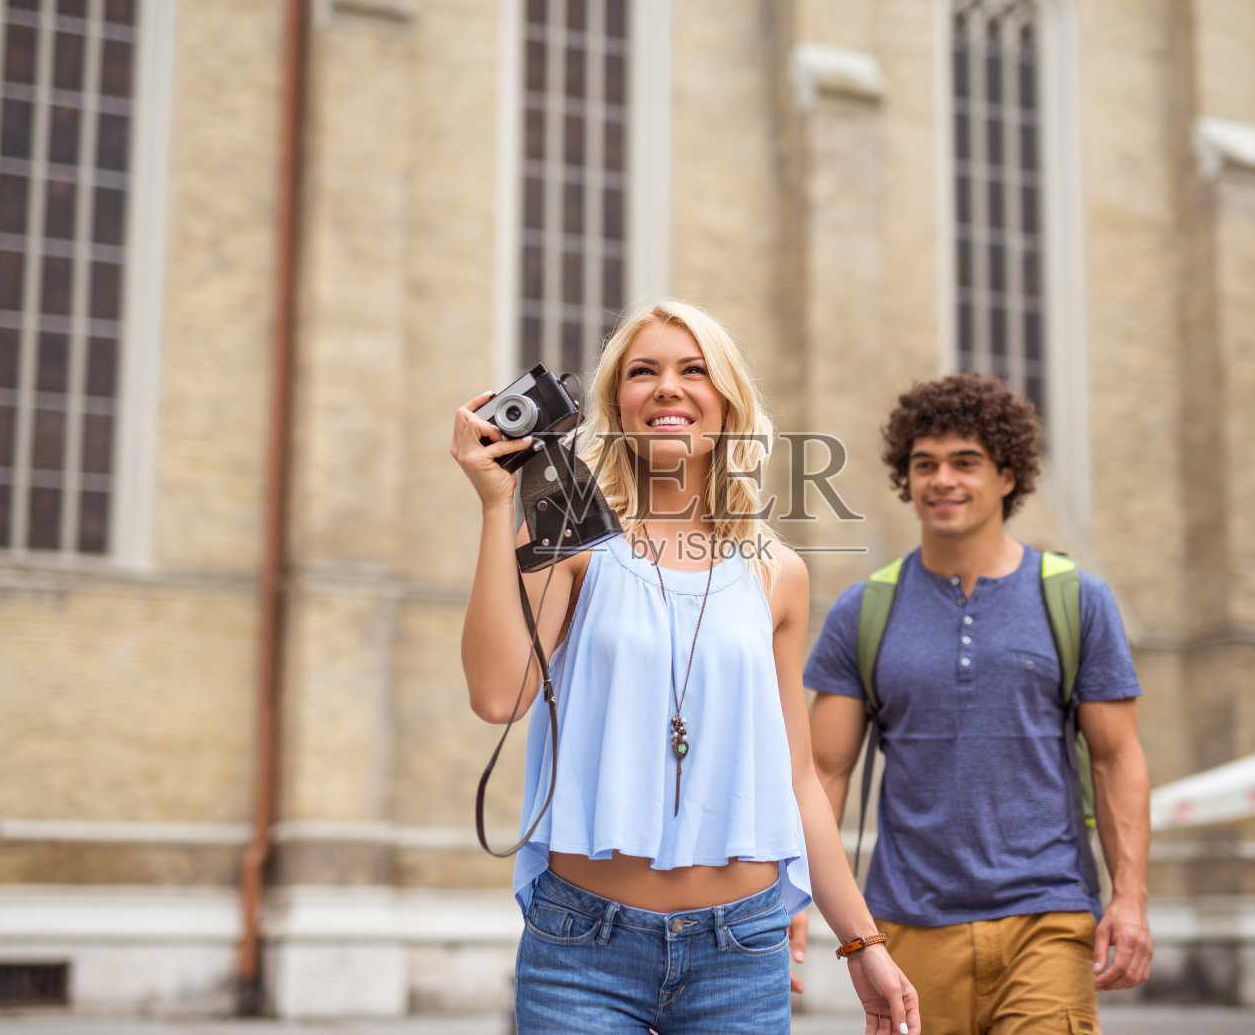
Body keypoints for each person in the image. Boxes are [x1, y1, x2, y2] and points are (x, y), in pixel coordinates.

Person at [451, 300, 921, 1035]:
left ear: (726, 403)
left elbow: (797, 779)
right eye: (644, 371)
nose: (668, 386)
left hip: (742, 950)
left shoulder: (777, 573)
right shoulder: (567, 530)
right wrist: (496, 507)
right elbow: (496, 697)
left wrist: (863, 944)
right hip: (582, 947)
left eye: (693, 369)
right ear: (617, 404)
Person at [789, 372, 1152, 1034]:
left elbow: (1116, 758)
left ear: (1008, 475)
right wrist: (795, 895)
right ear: (906, 477)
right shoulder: (862, 611)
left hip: (1047, 916)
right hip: (907, 927)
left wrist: (1130, 897)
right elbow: (823, 771)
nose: (942, 480)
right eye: (925, 464)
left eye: (965, 462)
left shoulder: (1077, 599)